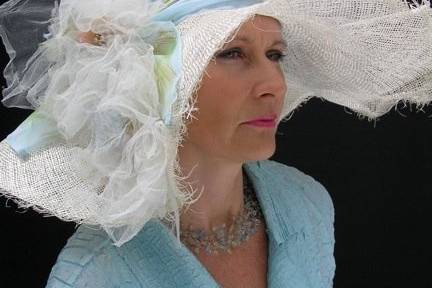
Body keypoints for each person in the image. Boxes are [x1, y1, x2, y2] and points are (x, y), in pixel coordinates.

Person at [0, 0, 430, 287]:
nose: (273, 84)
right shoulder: (94, 275)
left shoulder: (307, 205)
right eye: (233, 53)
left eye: (275, 54)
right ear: (156, 84)